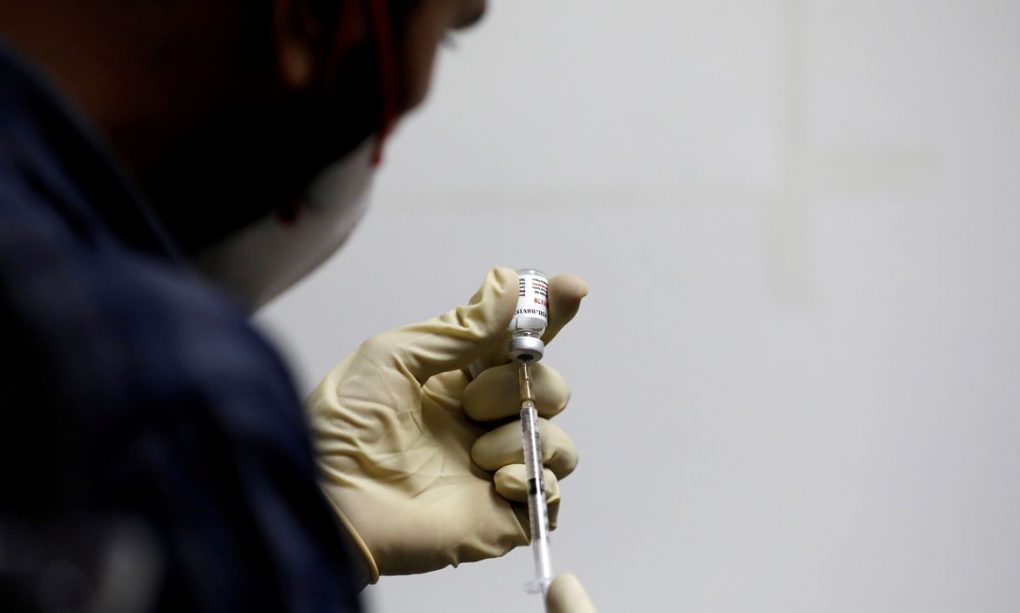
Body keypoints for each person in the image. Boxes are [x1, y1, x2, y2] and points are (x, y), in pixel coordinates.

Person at [0, 1, 595, 612]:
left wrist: (310, 525)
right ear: (310, 19)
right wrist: (254, 521)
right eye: (447, 36)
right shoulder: (159, 394)